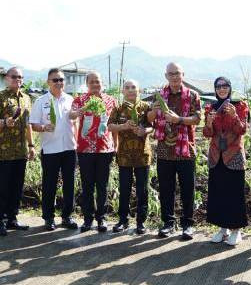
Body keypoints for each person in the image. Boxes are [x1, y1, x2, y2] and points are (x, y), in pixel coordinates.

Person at [147, 62, 202, 240]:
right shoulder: (159, 96)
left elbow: (197, 119)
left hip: (186, 149)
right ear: (166, 76)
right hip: (164, 149)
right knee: (166, 188)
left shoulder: (193, 95)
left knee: (187, 188)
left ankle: (187, 225)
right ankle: (168, 223)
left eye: (177, 73)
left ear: (183, 74)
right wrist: (154, 112)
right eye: (171, 74)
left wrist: (179, 119)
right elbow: (149, 119)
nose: (175, 76)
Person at [30, 68, 79, 231]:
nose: (59, 83)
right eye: (55, 80)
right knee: (49, 184)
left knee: (69, 184)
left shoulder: (71, 100)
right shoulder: (41, 101)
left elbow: (75, 122)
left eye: (61, 80)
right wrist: (43, 127)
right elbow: (34, 125)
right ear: (48, 82)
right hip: (50, 149)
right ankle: (48, 217)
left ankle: (67, 216)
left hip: (69, 148)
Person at [0, 67, 35, 236]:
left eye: (21, 77)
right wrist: (4, 122)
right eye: (14, 76)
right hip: (4, 150)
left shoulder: (26, 98)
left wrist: (31, 145)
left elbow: (28, 124)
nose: (18, 79)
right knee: (2, 187)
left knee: (16, 186)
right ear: (7, 78)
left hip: (21, 150)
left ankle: (12, 219)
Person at [69, 71, 117, 232]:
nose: (96, 85)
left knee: (102, 186)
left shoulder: (111, 101)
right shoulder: (80, 100)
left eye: (98, 82)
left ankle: (101, 219)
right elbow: (72, 115)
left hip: (105, 149)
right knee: (87, 185)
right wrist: (82, 109)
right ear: (87, 83)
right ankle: (88, 219)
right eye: (92, 82)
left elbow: (115, 125)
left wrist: (116, 145)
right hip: (85, 149)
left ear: (102, 83)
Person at [204, 77, 249, 246]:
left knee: (234, 194)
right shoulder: (211, 108)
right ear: (215, 89)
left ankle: (236, 230)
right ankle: (223, 229)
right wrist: (208, 123)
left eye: (225, 86)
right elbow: (208, 134)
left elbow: (242, 129)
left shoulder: (240, 105)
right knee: (218, 193)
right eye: (218, 86)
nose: (222, 89)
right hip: (216, 156)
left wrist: (235, 115)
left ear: (230, 88)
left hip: (234, 155)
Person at [108, 80, 153, 235]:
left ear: (138, 89)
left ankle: (141, 222)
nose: (131, 90)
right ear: (123, 91)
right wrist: (124, 126)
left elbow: (152, 126)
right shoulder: (118, 108)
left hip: (142, 155)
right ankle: (123, 220)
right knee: (125, 189)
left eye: (133, 87)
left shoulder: (146, 107)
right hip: (124, 156)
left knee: (142, 190)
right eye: (127, 88)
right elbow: (110, 126)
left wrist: (144, 131)